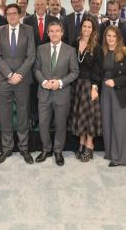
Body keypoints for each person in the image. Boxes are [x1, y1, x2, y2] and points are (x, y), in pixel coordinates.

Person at [0, 4, 36, 165]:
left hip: (22, 79)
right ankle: (6, 148)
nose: (11, 16)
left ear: (20, 15)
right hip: (4, 79)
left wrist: (19, 74)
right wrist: (9, 74)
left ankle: (24, 147)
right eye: (8, 14)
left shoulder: (28, 30)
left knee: (23, 114)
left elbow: (31, 56)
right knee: (5, 115)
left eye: (14, 13)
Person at [34, 21, 79, 166]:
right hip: (44, 93)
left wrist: (60, 83)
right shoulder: (40, 49)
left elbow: (75, 72)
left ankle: (58, 150)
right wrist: (43, 82)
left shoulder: (70, 50)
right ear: (47, 33)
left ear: (62, 33)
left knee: (60, 124)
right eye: (51, 31)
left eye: (57, 31)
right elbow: (36, 69)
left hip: (62, 93)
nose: (54, 33)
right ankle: (46, 149)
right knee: (43, 123)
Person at [91, 26, 126, 167]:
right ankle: (110, 153)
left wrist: (115, 81)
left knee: (120, 125)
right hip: (105, 91)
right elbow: (97, 72)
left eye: (113, 36)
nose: (110, 39)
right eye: (108, 36)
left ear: (118, 38)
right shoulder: (102, 52)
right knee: (107, 123)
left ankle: (121, 158)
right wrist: (94, 87)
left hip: (120, 92)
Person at [70, 18, 101, 162]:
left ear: (93, 29)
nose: (87, 29)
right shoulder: (74, 44)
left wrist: (95, 87)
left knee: (89, 116)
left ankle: (90, 144)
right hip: (76, 85)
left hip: (90, 85)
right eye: (84, 26)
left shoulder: (96, 46)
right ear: (81, 27)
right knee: (79, 115)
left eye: (90, 27)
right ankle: (81, 142)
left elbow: (98, 68)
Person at [24, 0, 57, 129]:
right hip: (32, 60)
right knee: (33, 90)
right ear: (34, 5)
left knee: (50, 89)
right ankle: (34, 117)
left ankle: (51, 118)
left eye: (42, 4)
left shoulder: (53, 20)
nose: (40, 6)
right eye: (37, 4)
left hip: (49, 60)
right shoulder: (27, 20)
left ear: (47, 5)